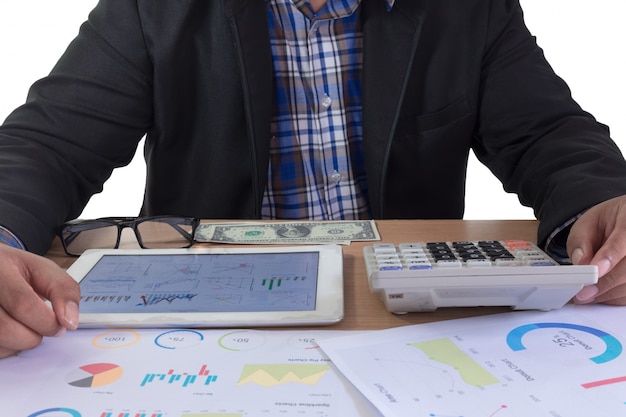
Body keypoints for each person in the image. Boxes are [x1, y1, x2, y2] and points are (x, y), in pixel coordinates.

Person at [1, 0, 626, 359]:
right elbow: (48, 142)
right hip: (205, 318)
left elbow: (548, 133)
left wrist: (605, 200)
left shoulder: (468, 9)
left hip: (407, 320)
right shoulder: (150, 10)